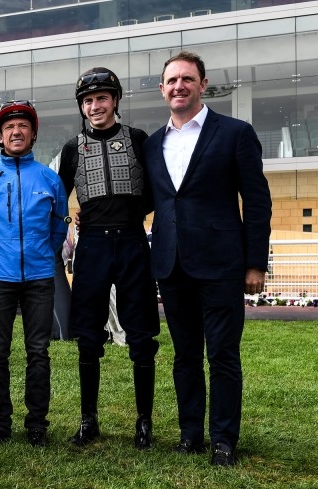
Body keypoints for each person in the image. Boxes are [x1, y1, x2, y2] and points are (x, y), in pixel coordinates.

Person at [144, 51, 271, 466]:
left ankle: (223, 439)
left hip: (221, 263)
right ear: (162, 89)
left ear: (202, 83)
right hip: (171, 263)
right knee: (184, 356)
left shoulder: (235, 132)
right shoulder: (151, 144)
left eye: (186, 79)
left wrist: (255, 263)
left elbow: (256, 201)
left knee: (222, 354)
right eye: (171, 80)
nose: (178, 86)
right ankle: (190, 433)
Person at [58, 68, 160, 449]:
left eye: (102, 98)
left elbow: (155, 190)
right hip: (93, 245)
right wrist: (71, 219)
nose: (95, 106)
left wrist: (133, 215)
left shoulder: (137, 139)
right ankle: (89, 420)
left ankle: (144, 422)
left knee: (142, 334)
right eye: (88, 101)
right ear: (82, 107)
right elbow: (58, 197)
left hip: (133, 242)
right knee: (87, 335)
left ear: (115, 100)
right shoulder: (72, 148)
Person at [0, 101, 69, 447]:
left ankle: (37, 423)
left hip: (40, 277)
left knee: (38, 351)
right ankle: (0, 422)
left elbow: (59, 229)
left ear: (33, 134)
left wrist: (45, 255)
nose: (16, 132)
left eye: (23, 127)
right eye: (9, 128)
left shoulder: (49, 178)